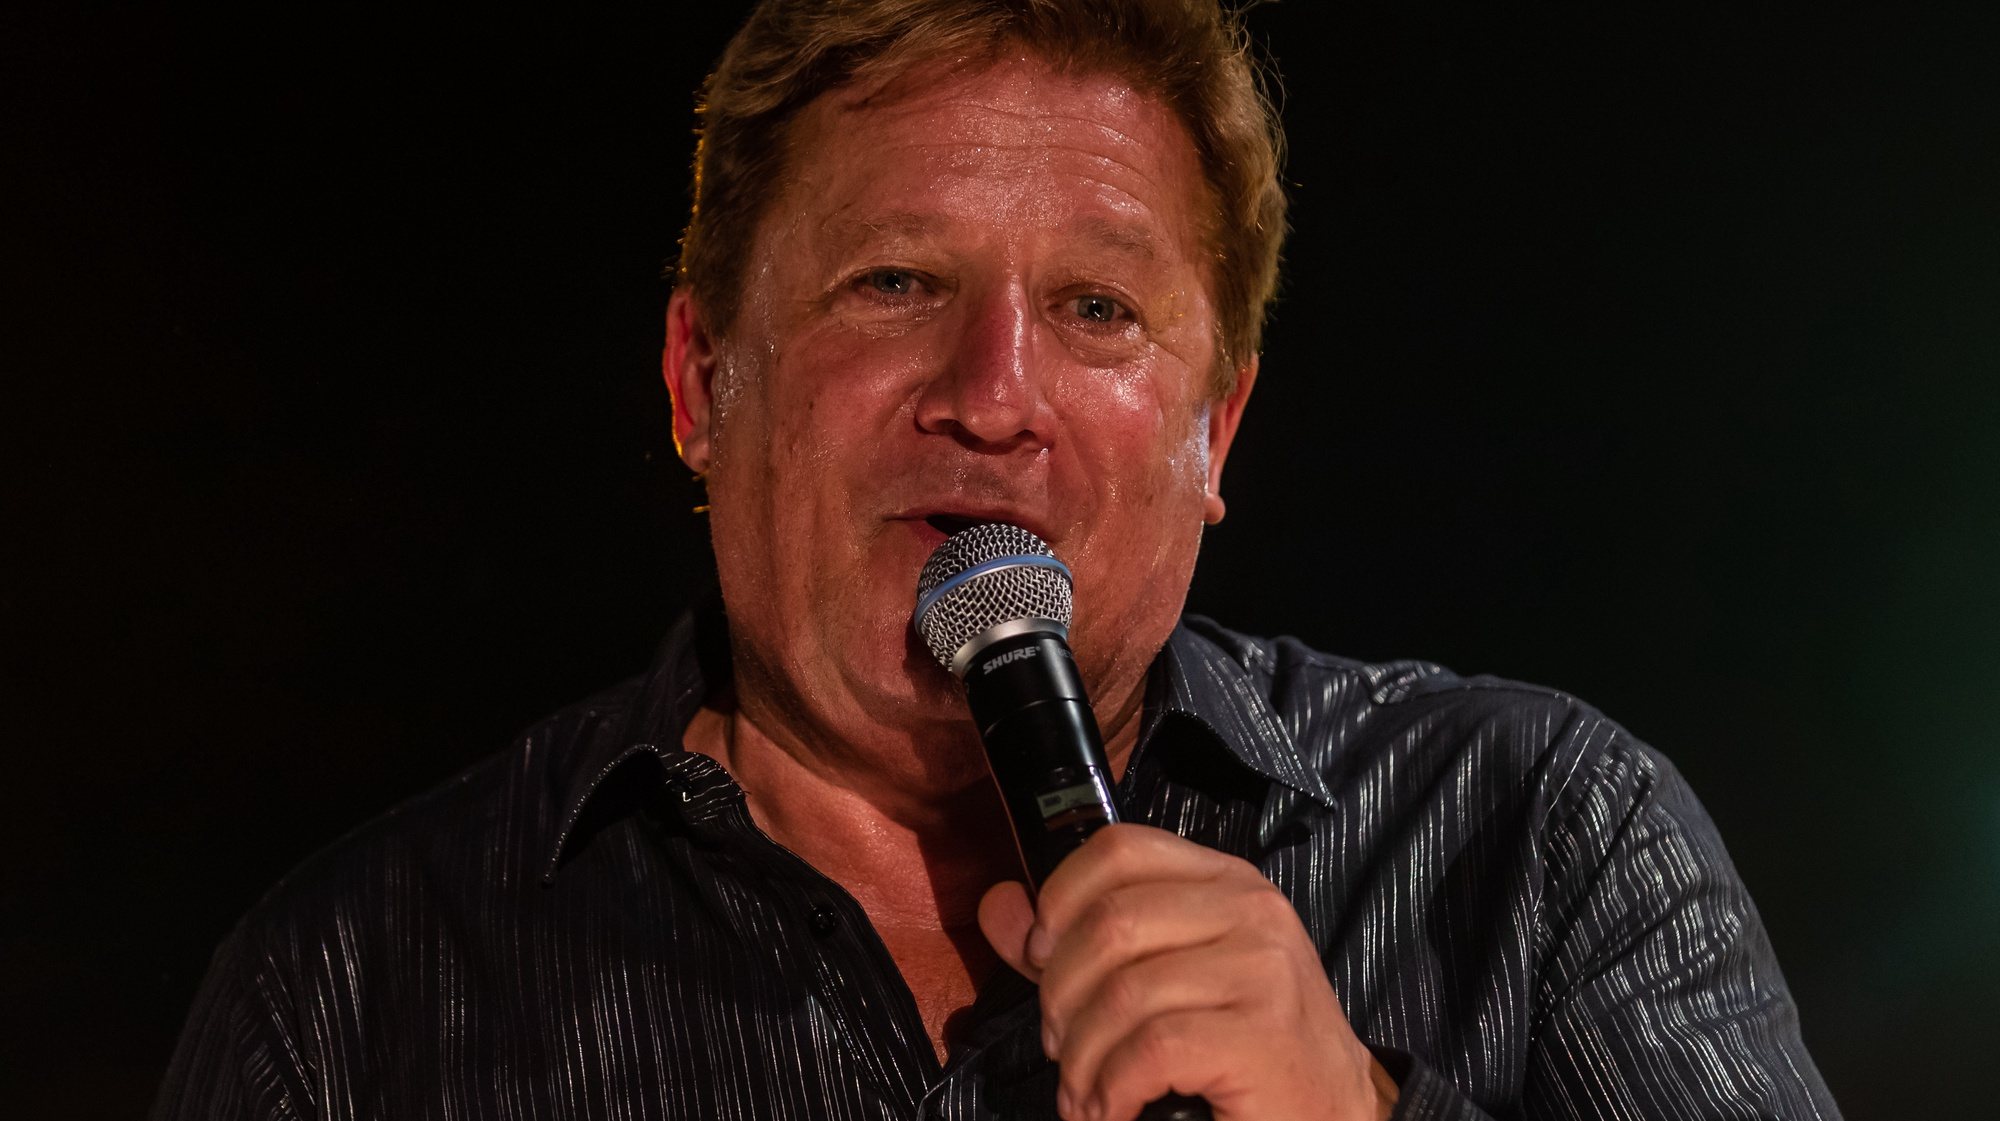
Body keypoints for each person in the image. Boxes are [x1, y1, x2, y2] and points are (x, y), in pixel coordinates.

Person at [155, 2, 1840, 1118]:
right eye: (895, 282)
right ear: (697, 381)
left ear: (1216, 433)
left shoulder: (1541, 844)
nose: (994, 396)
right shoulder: (356, 997)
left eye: (1098, 310)